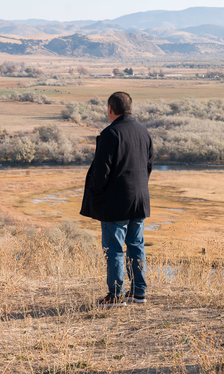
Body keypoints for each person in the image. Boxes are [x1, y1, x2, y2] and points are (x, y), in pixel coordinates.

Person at [80, 91, 153, 307]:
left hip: (115, 202)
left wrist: (96, 195)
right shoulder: (144, 132)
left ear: (110, 109)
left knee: (113, 249)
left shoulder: (111, 133)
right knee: (136, 245)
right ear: (130, 108)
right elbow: (148, 167)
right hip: (139, 199)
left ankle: (115, 295)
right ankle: (138, 293)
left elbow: (101, 171)